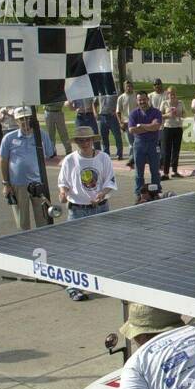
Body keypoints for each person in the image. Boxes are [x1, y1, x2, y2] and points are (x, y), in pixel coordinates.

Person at [57, 126, 117, 300]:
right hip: (77, 210)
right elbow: (64, 183)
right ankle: (73, 286)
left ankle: (100, 280)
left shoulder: (103, 158)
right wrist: (62, 193)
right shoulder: (70, 160)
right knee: (76, 249)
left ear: (93, 140)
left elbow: (109, 181)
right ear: (76, 143)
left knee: (103, 246)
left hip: (100, 208)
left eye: (87, 140)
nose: (85, 143)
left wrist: (102, 194)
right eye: (81, 141)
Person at [0, 107, 55, 231]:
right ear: (16, 121)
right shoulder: (9, 138)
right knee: (22, 221)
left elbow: (50, 153)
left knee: (43, 218)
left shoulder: (41, 135)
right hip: (18, 184)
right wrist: (6, 184)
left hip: (38, 183)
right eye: (21, 119)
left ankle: (45, 242)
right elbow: (2, 160)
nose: (25, 122)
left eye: (28, 118)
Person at [128, 90, 164, 196]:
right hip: (139, 144)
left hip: (153, 144)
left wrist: (141, 126)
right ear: (137, 101)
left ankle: (156, 190)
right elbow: (131, 130)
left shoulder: (156, 112)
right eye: (140, 100)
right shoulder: (134, 113)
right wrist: (149, 127)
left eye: (144, 99)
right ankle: (139, 192)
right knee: (139, 171)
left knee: (155, 170)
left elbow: (156, 126)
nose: (142, 102)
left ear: (148, 99)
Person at [159, 87, 185, 180]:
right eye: (170, 93)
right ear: (167, 94)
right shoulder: (164, 103)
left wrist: (179, 114)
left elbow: (184, 114)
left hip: (178, 128)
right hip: (167, 128)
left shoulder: (180, 103)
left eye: (173, 93)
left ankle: (174, 171)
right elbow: (159, 115)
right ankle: (165, 173)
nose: (172, 95)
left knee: (176, 150)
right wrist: (168, 115)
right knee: (167, 151)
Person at [96, 88, 123, 161]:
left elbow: (120, 102)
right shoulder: (99, 91)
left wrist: (116, 111)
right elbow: (94, 103)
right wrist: (96, 113)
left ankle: (119, 154)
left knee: (117, 136)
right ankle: (106, 154)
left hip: (112, 117)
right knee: (104, 137)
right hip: (102, 116)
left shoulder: (115, 90)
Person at [117, 80, 137, 168]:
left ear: (132, 87)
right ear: (124, 87)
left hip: (137, 122)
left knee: (137, 142)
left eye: (130, 86)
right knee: (131, 143)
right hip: (126, 122)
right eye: (127, 86)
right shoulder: (121, 98)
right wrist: (120, 122)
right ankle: (132, 159)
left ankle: (135, 159)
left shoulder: (136, 96)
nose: (128, 88)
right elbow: (118, 112)